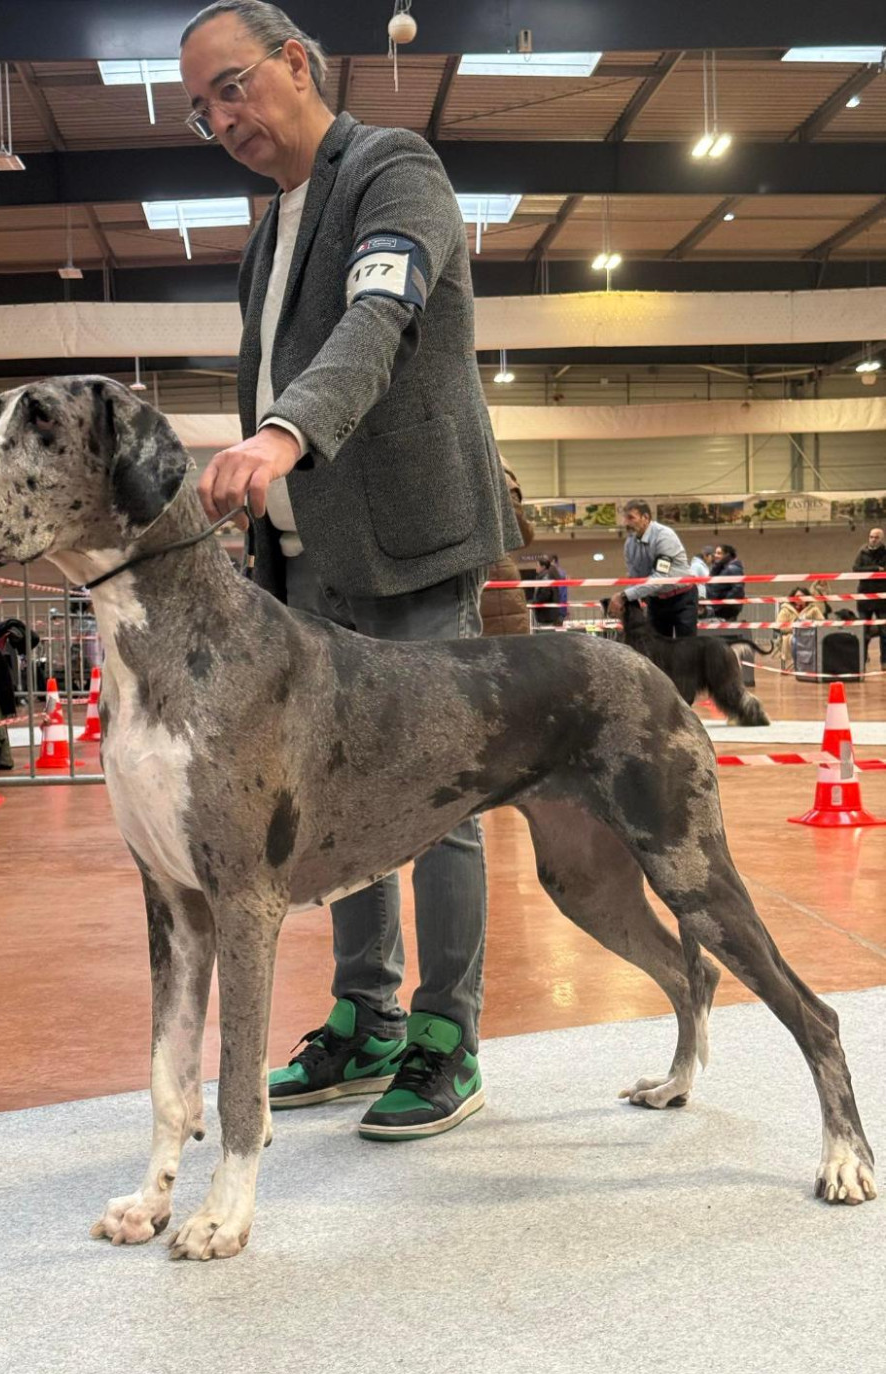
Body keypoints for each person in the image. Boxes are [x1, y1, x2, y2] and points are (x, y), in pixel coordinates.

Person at [179, 1, 521, 1140]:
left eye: (231, 85)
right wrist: (264, 521)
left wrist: (282, 435)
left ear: (294, 61)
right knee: (329, 797)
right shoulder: (271, 227)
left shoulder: (393, 169)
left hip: (412, 542)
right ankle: (366, 1018)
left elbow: (377, 318)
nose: (220, 117)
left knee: (440, 794)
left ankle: (447, 1034)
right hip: (302, 561)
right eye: (198, 107)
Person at [607, 498, 698, 638]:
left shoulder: (665, 536)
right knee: (656, 648)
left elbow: (660, 578)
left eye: (631, 518)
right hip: (656, 601)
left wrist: (624, 596)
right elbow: (634, 576)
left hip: (682, 598)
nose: (626, 523)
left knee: (686, 648)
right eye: (625, 518)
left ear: (646, 518)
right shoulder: (629, 543)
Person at [479, 461, 537, 636]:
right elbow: (520, 533)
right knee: (507, 654)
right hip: (494, 574)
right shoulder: (495, 466)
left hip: (445, 579)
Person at [853, 526, 886, 669]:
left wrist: (878, 571)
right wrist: (875, 569)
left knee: (884, 631)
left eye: (876, 537)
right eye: (871, 537)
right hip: (864, 598)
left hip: (882, 599)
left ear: (881, 539)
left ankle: (884, 661)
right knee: (863, 631)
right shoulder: (862, 551)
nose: (873, 539)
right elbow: (856, 569)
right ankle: (862, 659)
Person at [773, 587, 824, 672]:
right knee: (794, 641)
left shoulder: (814, 609)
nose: (799, 598)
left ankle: (811, 665)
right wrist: (795, 628)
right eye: (797, 596)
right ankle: (795, 665)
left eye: (802, 596)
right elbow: (779, 625)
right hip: (791, 635)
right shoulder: (785, 610)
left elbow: (822, 623)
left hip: (810, 636)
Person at [706, 543, 745, 624]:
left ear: (727, 555)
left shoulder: (733, 568)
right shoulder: (721, 567)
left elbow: (738, 588)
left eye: (719, 553)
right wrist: (716, 566)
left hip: (726, 609)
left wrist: (724, 603)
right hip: (718, 607)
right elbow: (710, 580)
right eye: (715, 553)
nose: (715, 555)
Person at [531, 554, 564, 628]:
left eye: (537, 565)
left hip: (547, 614)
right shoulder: (545, 576)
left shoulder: (545, 578)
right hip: (549, 613)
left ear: (543, 567)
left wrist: (534, 602)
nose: (536, 567)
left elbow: (545, 594)